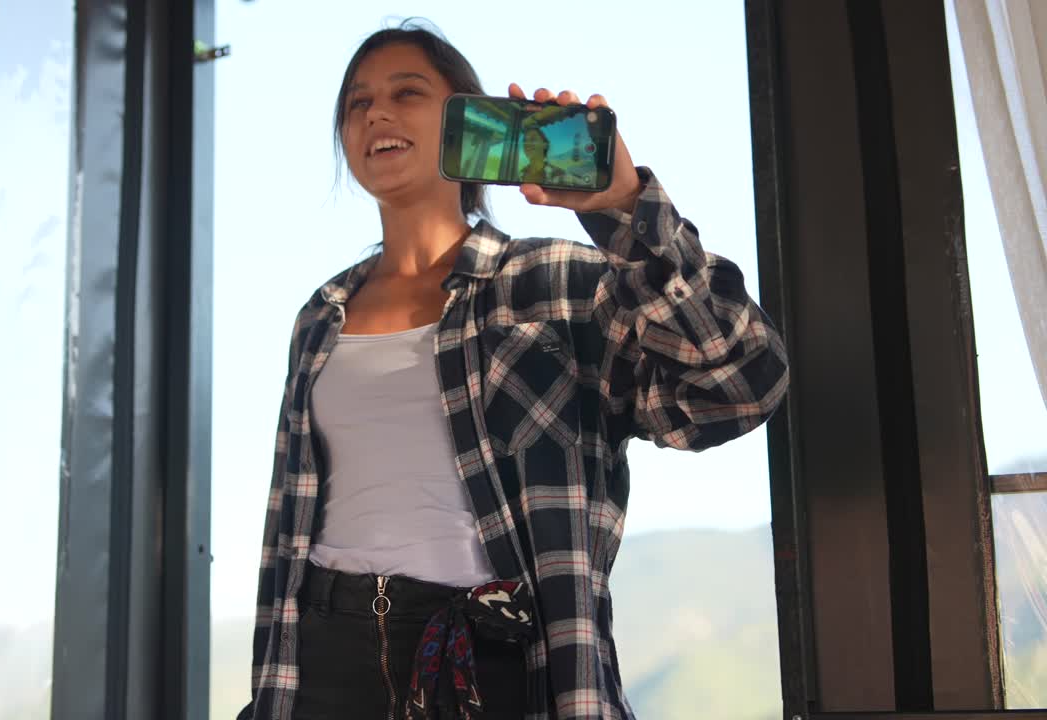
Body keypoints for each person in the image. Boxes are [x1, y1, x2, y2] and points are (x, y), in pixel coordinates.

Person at [239, 22, 789, 720]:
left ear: (469, 120)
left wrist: (625, 211)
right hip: (326, 656)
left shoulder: (556, 283)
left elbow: (739, 385)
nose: (376, 114)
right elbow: (288, 534)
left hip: (495, 655)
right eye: (357, 103)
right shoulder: (321, 315)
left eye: (407, 93)